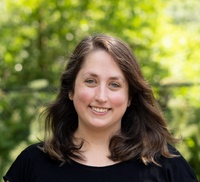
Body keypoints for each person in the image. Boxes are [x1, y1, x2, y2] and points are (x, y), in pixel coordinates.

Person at [3, 34, 198, 182]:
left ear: (129, 97)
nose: (101, 96)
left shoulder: (166, 166)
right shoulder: (32, 163)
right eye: (90, 81)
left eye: (114, 84)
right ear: (70, 90)